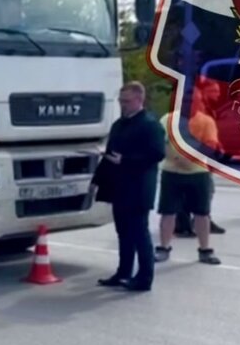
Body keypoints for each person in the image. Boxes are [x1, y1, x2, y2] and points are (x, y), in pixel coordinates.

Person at [92, 82, 165, 292]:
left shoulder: (150, 124)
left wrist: (126, 160)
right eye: (121, 101)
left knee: (139, 233)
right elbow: (109, 155)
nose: (123, 105)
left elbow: (156, 154)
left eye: (126, 101)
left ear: (139, 100)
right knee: (123, 233)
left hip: (139, 188)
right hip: (119, 187)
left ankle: (144, 278)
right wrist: (96, 180)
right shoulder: (119, 124)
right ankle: (123, 272)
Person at [155, 105, 222, 265]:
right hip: (171, 172)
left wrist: (191, 159)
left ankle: (205, 250)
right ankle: (164, 248)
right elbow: (161, 142)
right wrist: (176, 158)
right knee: (167, 212)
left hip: (198, 173)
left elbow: (211, 146)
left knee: (202, 213)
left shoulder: (206, 121)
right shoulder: (167, 119)